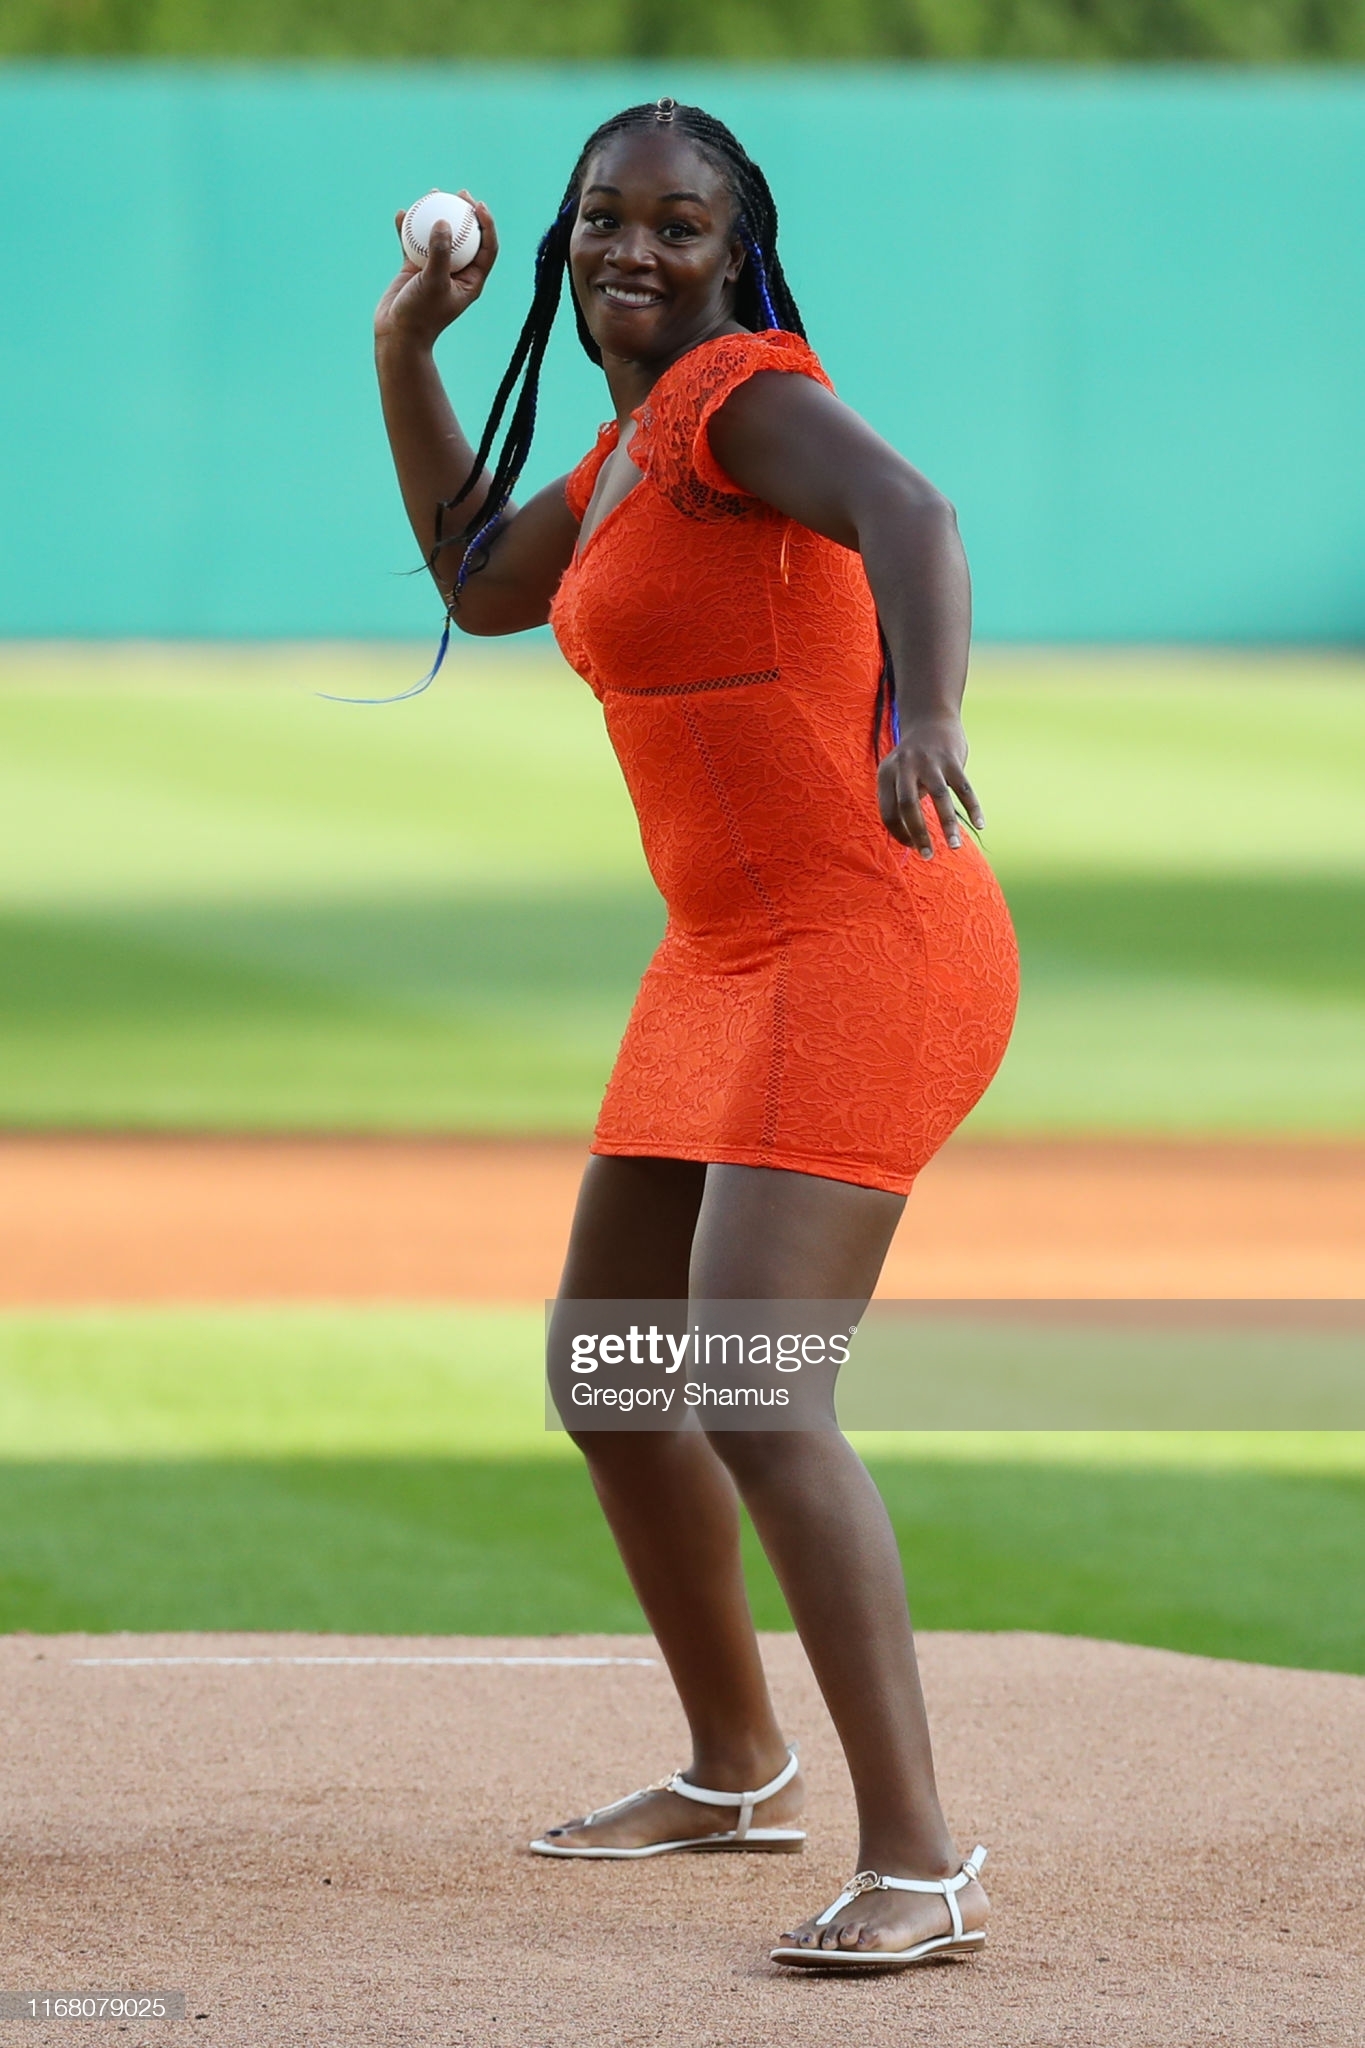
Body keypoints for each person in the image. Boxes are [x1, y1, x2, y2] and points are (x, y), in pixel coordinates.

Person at [375, 97, 1018, 1972]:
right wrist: (406, 351)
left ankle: (921, 1863)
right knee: (609, 1374)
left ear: (736, 253)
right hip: (724, 952)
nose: (631, 250)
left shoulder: (740, 394)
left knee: (750, 1389)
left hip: (867, 935)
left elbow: (913, 511)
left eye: (676, 224)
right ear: (564, 238)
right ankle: (737, 1767)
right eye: (604, 218)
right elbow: (482, 582)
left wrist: (924, 712)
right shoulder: (635, 446)